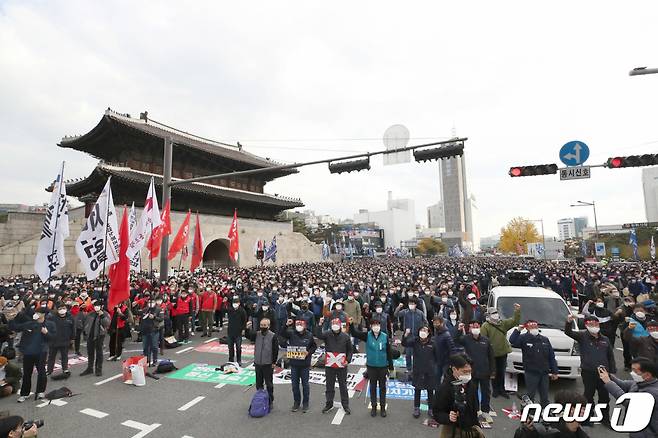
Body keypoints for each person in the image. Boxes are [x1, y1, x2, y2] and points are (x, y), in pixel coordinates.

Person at [566, 314, 616, 425]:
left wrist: (612, 371)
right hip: (588, 372)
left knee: (604, 396)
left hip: (603, 373)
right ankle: (587, 417)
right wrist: (568, 322)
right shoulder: (582, 336)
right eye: (591, 324)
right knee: (588, 396)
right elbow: (569, 332)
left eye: (596, 323)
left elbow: (610, 356)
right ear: (586, 325)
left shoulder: (605, 339)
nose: (594, 326)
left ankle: (605, 419)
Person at [600, 356, 658, 437]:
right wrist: (609, 376)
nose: (632, 373)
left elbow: (629, 403)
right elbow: (623, 384)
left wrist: (608, 383)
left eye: (635, 371)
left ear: (647, 375)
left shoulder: (653, 393)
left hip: (647, 434)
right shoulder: (639, 382)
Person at [350, 318, 394, 417]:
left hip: (383, 366)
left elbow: (388, 352)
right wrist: (351, 324)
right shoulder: (367, 335)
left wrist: (391, 367)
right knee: (372, 387)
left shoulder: (385, 336)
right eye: (374, 325)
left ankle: (382, 408)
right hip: (371, 366)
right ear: (370, 326)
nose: (376, 327)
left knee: (382, 388)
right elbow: (354, 333)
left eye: (378, 324)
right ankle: (374, 407)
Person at [433, 354, 484, 438]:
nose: (468, 375)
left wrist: (477, 426)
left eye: (469, 371)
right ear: (454, 369)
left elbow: (474, 408)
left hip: (470, 429)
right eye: (464, 371)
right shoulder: (445, 388)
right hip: (453, 430)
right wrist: (448, 417)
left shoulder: (471, 384)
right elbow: (437, 412)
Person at [509, 320, 558, 408]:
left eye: (535, 327)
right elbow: (512, 341)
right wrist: (518, 330)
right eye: (531, 327)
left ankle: (545, 413)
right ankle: (527, 414)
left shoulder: (544, 339)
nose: (534, 328)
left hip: (544, 373)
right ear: (527, 328)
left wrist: (555, 371)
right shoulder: (523, 338)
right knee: (530, 395)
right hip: (531, 372)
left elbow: (551, 356)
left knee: (544, 396)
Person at [9, 308, 55, 402]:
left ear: (43, 314)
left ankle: (40, 391)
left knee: (41, 373)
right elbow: (16, 327)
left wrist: (46, 333)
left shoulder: (50, 324)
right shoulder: (30, 323)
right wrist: (12, 319)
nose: (36, 314)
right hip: (28, 352)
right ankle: (24, 394)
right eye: (36, 312)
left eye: (38, 313)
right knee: (27, 373)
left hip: (41, 352)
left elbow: (53, 338)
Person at [456, 321, 495, 423]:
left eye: (477, 326)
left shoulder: (486, 340)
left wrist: (492, 370)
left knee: (486, 392)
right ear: (470, 328)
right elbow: (456, 341)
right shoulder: (466, 339)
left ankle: (485, 411)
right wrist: (459, 330)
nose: (475, 328)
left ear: (480, 327)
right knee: (473, 392)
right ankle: (476, 410)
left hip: (485, 371)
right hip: (472, 371)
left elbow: (491, 356)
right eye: (473, 326)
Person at [480, 303, 521, 399]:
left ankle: (502, 389)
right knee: (494, 373)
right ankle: (495, 390)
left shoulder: (502, 323)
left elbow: (514, 321)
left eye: (496, 312)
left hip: (503, 353)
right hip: (492, 354)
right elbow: (483, 340)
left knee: (502, 372)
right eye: (493, 313)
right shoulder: (485, 326)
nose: (495, 314)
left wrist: (517, 311)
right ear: (489, 315)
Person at [513, 390, 590, 438]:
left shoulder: (580, 432)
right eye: (582, 409)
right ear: (571, 410)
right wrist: (527, 431)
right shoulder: (547, 431)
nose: (585, 412)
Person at [315, 317, 352, 415]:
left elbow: (350, 350)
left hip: (341, 364)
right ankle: (329, 403)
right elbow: (318, 335)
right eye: (333, 324)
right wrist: (320, 324)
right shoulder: (327, 334)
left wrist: (348, 360)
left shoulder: (346, 336)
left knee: (343, 385)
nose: (335, 326)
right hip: (330, 364)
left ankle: (345, 405)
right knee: (329, 385)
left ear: (340, 326)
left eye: (337, 324)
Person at [281, 318, 317, 413]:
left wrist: (308, 352)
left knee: (305, 385)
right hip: (294, 364)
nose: (299, 327)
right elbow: (281, 333)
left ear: (305, 325)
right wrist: (286, 325)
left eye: (301, 325)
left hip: (305, 365)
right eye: (297, 325)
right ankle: (296, 402)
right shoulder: (291, 333)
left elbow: (314, 346)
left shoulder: (309, 335)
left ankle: (305, 403)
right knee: (294, 385)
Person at [403, 325, 437, 419]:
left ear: (429, 333)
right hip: (418, 370)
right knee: (417, 389)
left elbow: (437, 356)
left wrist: (434, 367)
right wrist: (405, 335)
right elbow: (404, 343)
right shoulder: (415, 341)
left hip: (430, 370)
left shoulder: (433, 343)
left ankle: (431, 409)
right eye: (421, 330)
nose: (423, 332)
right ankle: (416, 408)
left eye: (425, 330)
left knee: (430, 390)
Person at [245, 317, 278, 407]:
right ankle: (260, 399)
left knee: (269, 384)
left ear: (268, 326)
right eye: (261, 325)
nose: (262, 327)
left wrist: (274, 362)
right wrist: (247, 328)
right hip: (258, 363)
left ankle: (270, 401)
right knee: (259, 383)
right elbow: (248, 336)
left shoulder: (273, 336)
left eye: (264, 325)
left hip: (268, 363)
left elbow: (275, 350)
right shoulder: (257, 334)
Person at [394, 297, 427, 373]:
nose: (411, 305)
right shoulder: (405, 312)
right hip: (408, 336)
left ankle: (417, 368)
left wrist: (423, 330)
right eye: (409, 304)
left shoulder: (420, 313)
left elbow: (425, 322)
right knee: (408, 354)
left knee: (417, 354)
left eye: (412, 304)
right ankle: (409, 369)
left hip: (417, 336)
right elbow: (396, 314)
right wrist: (399, 307)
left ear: (415, 304)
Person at [80, 302, 110, 377]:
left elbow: (107, 324)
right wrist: (85, 332)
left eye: (98, 306)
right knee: (90, 352)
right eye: (95, 306)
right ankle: (89, 368)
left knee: (99, 353)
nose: (96, 307)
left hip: (99, 335)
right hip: (90, 335)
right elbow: (86, 323)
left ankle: (98, 369)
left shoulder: (105, 313)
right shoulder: (91, 314)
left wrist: (102, 316)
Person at [46, 303, 74, 377]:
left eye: (63, 308)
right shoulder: (52, 318)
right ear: (57, 310)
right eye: (60, 309)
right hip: (54, 340)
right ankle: (49, 370)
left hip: (65, 340)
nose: (62, 310)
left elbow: (72, 328)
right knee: (51, 356)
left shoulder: (70, 317)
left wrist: (72, 338)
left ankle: (65, 369)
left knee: (64, 356)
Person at [140, 298, 163, 366]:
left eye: (152, 302)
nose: (151, 303)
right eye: (150, 302)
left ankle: (155, 359)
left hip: (154, 330)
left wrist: (154, 317)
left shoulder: (159, 309)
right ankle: (146, 360)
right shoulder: (145, 309)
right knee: (145, 347)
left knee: (154, 346)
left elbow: (161, 318)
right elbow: (141, 318)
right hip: (145, 330)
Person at [226, 297, 247, 365]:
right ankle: (231, 360)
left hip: (238, 331)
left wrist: (243, 329)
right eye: (233, 303)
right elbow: (223, 310)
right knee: (230, 347)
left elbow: (244, 321)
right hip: (230, 331)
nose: (235, 304)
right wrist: (224, 302)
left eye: (236, 303)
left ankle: (239, 360)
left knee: (238, 347)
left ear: (239, 303)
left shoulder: (242, 311)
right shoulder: (230, 310)